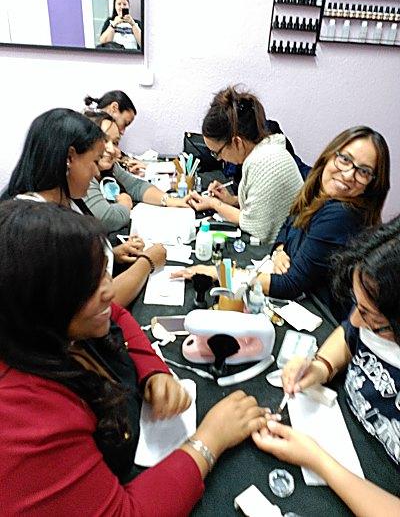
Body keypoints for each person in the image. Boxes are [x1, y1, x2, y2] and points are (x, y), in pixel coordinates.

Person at [0, 200, 268, 515]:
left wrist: (154, 371)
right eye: (90, 286)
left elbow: (117, 317)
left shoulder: (56, 325)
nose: (110, 292)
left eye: (104, 275)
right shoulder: (22, 419)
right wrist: (208, 441)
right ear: (37, 304)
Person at [252, 217, 400, 516]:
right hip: (342, 434)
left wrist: (318, 461)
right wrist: (321, 366)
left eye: (373, 319)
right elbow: (349, 333)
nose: (358, 321)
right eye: (357, 306)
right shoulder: (373, 317)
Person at [177, 126, 390, 318]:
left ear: (372, 183)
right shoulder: (318, 189)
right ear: (330, 155)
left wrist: (221, 273)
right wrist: (279, 250)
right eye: (345, 159)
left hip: (321, 315)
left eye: (363, 171)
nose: (348, 174)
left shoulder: (341, 214)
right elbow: (288, 222)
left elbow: (291, 284)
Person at [1, 108, 166, 307]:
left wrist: (111, 255)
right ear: (70, 158)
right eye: (94, 161)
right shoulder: (37, 228)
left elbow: (69, 270)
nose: (97, 171)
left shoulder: (68, 198)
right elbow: (94, 306)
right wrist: (147, 262)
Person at [187, 86, 304, 243]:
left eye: (217, 153)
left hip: (285, 248)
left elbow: (255, 226)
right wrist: (233, 201)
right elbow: (263, 205)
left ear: (237, 142)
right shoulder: (266, 150)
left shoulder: (264, 162)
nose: (219, 159)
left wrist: (215, 204)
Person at [83, 110, 190, 233]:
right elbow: (108, 219)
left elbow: (136, 186)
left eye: (116, 143)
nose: (112, 149)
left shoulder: (110, 167)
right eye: (104, 141)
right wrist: (125, 203)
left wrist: (169, 200)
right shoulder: (81, 173)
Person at [84, 89, 145, 176]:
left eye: (115, 143)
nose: (123, 131)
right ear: (114, 107)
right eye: (125, 123)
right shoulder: (87, 125)